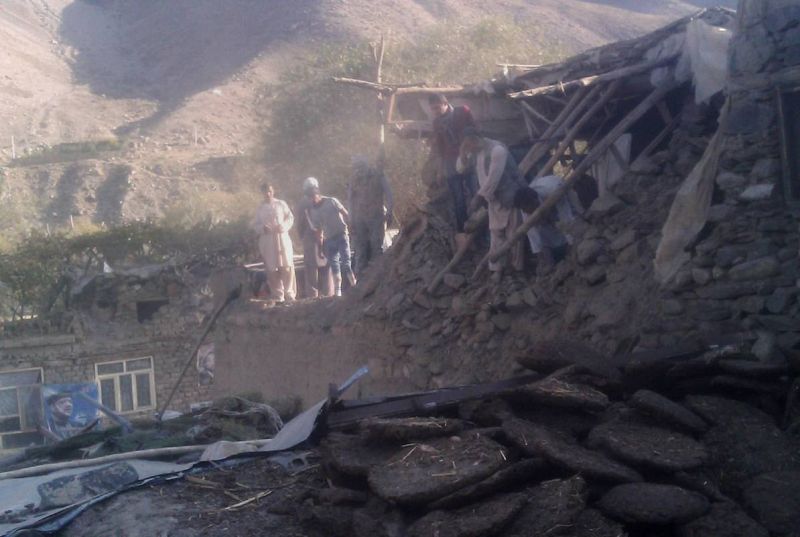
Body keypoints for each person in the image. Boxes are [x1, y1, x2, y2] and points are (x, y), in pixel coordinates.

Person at [457, 128, 527, 276]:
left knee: (514, 233)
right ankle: (497, 268)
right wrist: (462, 155)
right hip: (493, 199)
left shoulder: (497, 150)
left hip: (511, 195)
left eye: (471, 146)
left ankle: (517, 269)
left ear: (477, 139)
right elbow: (461, 170)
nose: (471, 150)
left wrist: (478, 198)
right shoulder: (477, 152)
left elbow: (493, 179)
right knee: (495, 233)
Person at [429, 93, 477, 233]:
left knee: (474, 191)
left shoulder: (463, 111)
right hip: (450, 162)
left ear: (445, 103)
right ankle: (463, 230)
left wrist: (469, 151)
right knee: (458, 198)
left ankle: (480, 224)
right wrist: (440, 169)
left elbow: (475, 131)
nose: (435, 111)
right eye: (433, 109)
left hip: (467, 157)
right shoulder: (436, 123)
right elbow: (440, 148)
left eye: (437, 108)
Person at [513, 175, 577, 271]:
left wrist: (573, 246)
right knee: (544, 228)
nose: (525, 212)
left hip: (563, 191)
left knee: (573, 217)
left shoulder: (554, 190)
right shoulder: (524, 207)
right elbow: (533, 236)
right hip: (544, 205)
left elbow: (566, 216)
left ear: (534, 202)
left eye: (526, 209)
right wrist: (545, 261)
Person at [348, 155, 394, 275]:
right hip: (360, 219)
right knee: (360, 250)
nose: (358, 171)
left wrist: (389, 212)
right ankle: (360, 281)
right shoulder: (354, 180)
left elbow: (389, 194)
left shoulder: (378, 175)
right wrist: (351, 220)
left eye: (359, 167)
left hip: (376, 217)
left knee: (376, 247)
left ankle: (378, 277)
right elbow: (351, 201)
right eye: (355, 168)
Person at [252, 183, 296, 303]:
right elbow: (255, 225)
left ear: (273, 191)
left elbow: (290, 218)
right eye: (265, 192)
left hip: (282, 238)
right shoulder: (260, 209)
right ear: (262, 193)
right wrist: (263, 228)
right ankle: (278, 295)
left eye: (270, 191)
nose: (268, 194)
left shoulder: (281, 204)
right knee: (272, 269)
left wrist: (284, 226)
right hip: (268, 241)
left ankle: (289, 294)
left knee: (286, 266)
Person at [308, 187, 357, 297]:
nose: (313, 200)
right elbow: (318, 230)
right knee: (334, 264)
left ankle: (354, 284)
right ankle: (337, 291)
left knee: (346, 261)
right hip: (329, 238)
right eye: (310, 198)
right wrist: (320, 247)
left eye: (314, 197)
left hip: (341, 234)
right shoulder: (314, 211)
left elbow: (344, 212)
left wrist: (351, 226)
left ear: (318, 195)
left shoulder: (331, 201)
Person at [296, 177, 333, 298]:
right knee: (326, 265)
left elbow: (299, 223)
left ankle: (313, 295)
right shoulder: (324, 199)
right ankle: (329, 293)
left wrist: (301, 235)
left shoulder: (302, 203)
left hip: (310, 237)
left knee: (312, 267)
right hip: (324, 234)